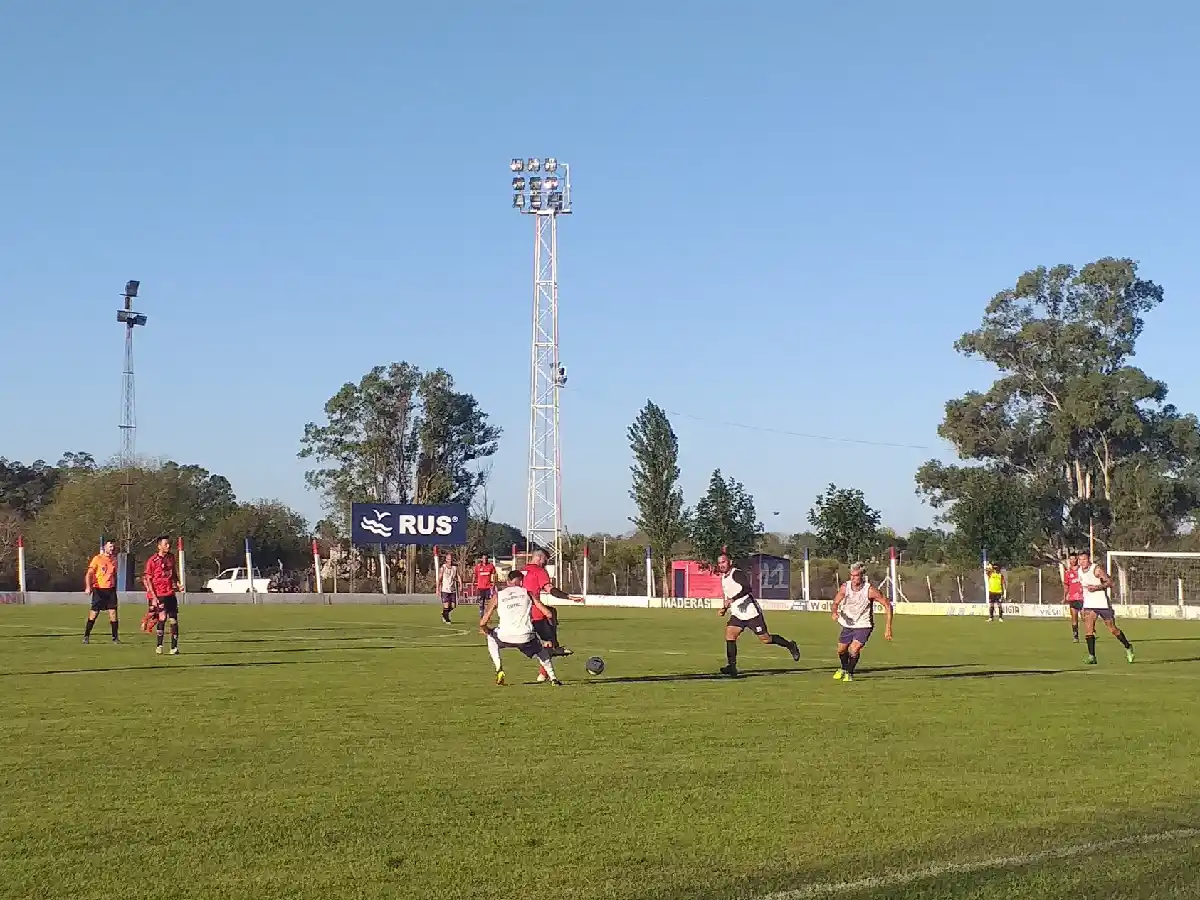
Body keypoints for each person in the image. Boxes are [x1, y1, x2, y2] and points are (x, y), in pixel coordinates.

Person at [716, 552, 800, 677]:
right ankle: (732, 666)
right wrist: (724, 608)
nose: (721, 565)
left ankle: (790, 645)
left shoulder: (736, 574)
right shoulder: (723, 578)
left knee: (766, 639)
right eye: (719, 563)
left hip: (751, 613)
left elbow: (747, 589)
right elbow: (728, 594)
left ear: (730, 562)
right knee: (730, 635)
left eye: (723, 562)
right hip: (738, 614)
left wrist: (732, 600)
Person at [479, 570, 562, 686]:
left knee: (491, 638)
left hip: (505, 635)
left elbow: (483, 622)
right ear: (521, 582)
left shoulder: (498, 595)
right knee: (542, 652)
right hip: (525, 635)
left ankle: (499, 669)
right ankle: (553, 679)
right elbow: (548, 614)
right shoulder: (527, 593)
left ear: (508, 581)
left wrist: (487, 630)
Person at [830, 562, 893, 682]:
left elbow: (887, 605)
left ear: (862, 576)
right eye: (851, 575)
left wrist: (888, 627)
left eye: (856, 576)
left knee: (854, 649)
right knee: (841, 649)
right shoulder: (845, 587)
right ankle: (844, 669)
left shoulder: (870, 591)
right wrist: (834, 612)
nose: (853, 578)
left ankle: (849, 672)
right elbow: (835, 603)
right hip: (847, 624)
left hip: (864, 624)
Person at [522, 548, 574, 682]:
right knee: (548, 644)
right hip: (535, 613)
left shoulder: (521, 571)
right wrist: (568, 597)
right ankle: (545, 672)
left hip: (519, 613)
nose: (546, 562)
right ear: (539, 558)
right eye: (546, 559)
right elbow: (550, 590)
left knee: (552, 612)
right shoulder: (539, 571)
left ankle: (554, 650)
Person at [1077, 550, 1134, 665]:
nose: (1082, 562)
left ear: (1089, 559)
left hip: (1102, 603)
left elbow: (1110, 583)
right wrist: (1083, 605)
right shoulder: (1079, 571)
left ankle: (1128, 647)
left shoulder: (1096, 569)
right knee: (1089, 630)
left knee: (1113, 629)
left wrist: (1097, 587)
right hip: (1089, 604)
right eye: (1080, 560)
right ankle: (1092, 656)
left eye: (1085, 559)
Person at [144, 535, 182, 655]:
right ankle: (159, 645)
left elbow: (174, 574)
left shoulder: (171, 557)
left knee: (173, 620)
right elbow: (148, 579)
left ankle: (174, 647)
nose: (168, 546)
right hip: (159, 593)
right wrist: (154, 597)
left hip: (170, 592)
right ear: (159, 546)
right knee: (162, 618)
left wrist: (178, 583)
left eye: (169, 544)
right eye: (166, 544)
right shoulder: (152, 561)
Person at [83, 539, 120, 644]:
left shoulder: (114, 560)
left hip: (110, 590)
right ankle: (86, 636)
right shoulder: (97, 559)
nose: (112, 549)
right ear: (105, 547)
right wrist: (88, 587)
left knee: (113, 613)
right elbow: (89, 574)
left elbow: (114, 575)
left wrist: (114, 586)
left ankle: (115, 637)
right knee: (93, 614)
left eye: (113, 547)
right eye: (110, 547)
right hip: (99, 590)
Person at [1062, 552, 1084, 643]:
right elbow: (1066, 586)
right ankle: (1075, 636)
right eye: (1071, 559)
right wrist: (1064, 597)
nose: (1073, 561)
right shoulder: (1067, 573)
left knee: (1085, 617)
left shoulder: (1082, 570)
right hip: (1072, 598)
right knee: (1074, 618)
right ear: (1069, 560)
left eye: (1074, 559)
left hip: (1082, 598)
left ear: (1077, 560)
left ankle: (1090, 633)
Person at [438, 552, 459, 624]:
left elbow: (458, 576)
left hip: (452, 590)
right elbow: (439, 579)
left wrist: (461, 584)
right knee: (446, 605)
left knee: (453, 606)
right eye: (448, 559)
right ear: (446, 559)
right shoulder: (443, 567)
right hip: (445, 590)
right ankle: (447, 619)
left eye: (451, 559)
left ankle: (444, 613)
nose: (450, 561)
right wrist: (437, 589)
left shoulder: (454, 568)